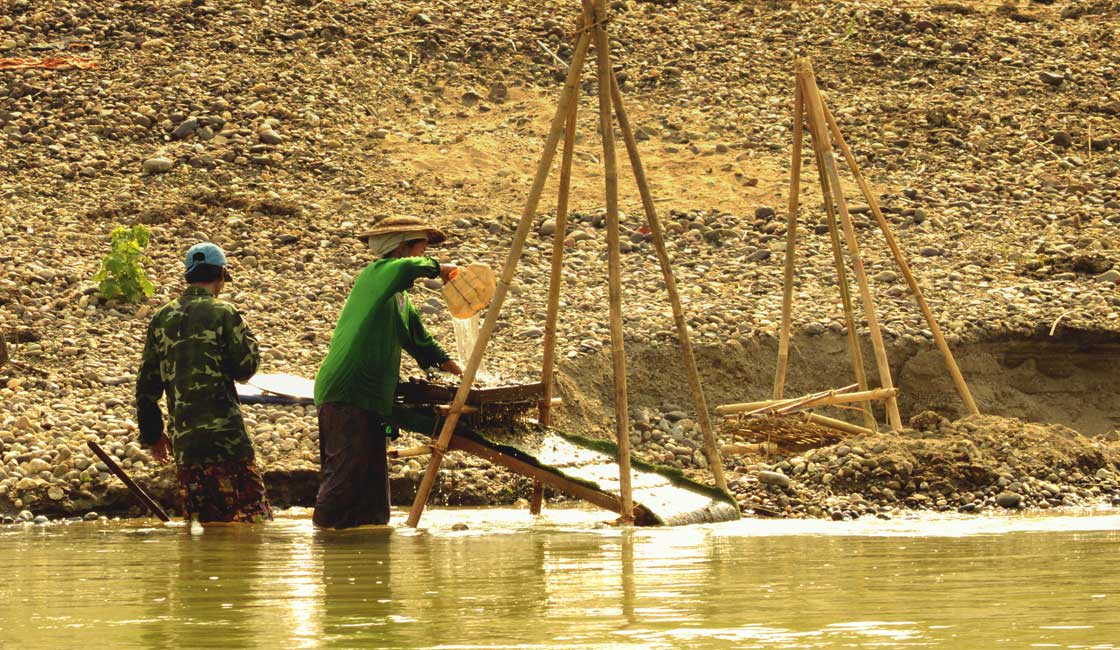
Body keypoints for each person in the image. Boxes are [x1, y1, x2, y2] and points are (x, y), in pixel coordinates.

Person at [313, 216, 462, 529]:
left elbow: (425, 346)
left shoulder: (400, 300)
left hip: (372, 398)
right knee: (343, 479)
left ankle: (370, 549)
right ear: (402, 248)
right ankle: (325, 543)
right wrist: (442, 269)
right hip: (347, 391)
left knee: (371, 486)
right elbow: (408, 269)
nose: (424, 253)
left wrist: (461, 374)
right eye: (421, 247)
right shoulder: (375, 275)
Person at [135, 242, 272, 523]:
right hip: (228, 441)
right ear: (221, 274)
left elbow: (147, 385)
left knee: (201, 527)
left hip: (186, 444)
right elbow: (244, 370)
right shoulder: (224, 312)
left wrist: (152, 434)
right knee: (252, 522)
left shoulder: (162, 318)